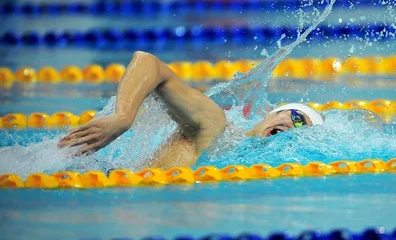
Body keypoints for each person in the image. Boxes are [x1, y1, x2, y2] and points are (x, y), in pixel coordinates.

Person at [58, 51, 324, 168]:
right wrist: (122, 117)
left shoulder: (245, 162)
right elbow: (149, 63)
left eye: (304, 132)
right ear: (273, 114)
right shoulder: (216, 127)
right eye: (298, 119)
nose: (294, 130)